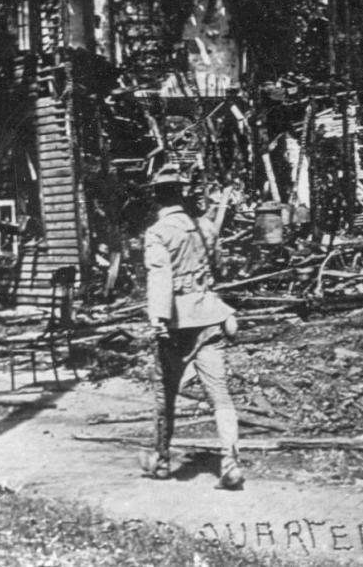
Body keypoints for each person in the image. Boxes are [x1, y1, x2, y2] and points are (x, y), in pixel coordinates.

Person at [139, 165, 243, 489]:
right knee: (220, 395)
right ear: (181, 193)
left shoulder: (157, 233)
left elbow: (160, 276)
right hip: (210, 316)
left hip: (176, 322)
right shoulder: (205, 228)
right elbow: (220, 267)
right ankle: (230, 463)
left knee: (165, 394)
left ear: (156, 196)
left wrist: (158, 318)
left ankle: (162, 461)